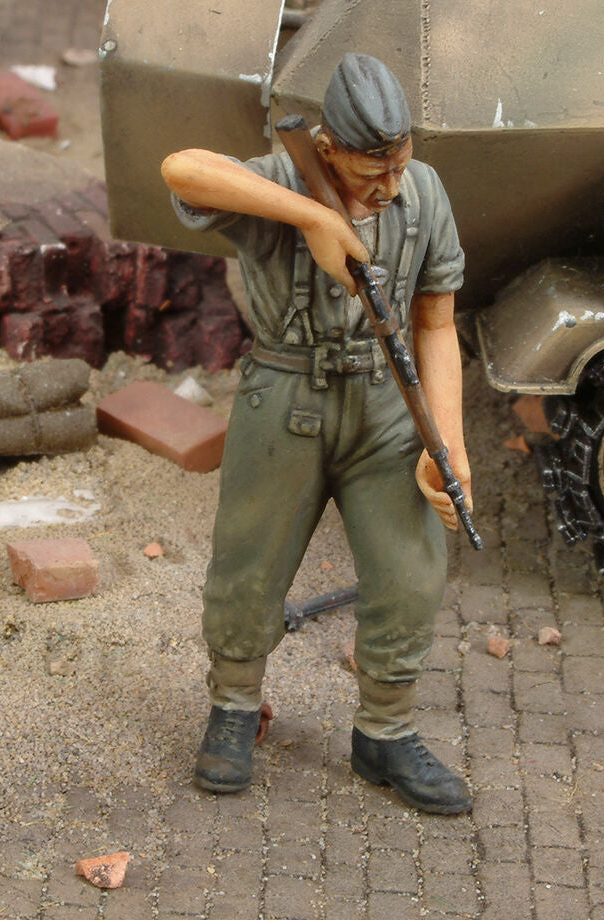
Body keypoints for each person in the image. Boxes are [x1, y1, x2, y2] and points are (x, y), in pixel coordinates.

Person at [161, 53, 473, 814]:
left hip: (384, 403)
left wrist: (449, 444)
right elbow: (181, 167)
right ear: (329, 144)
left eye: (400, 165)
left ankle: (386, 732)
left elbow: (435, 321)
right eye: (375, 169)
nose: (391, 186)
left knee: (409, 574)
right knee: (249, 562)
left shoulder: (423, 192)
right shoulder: (277, 177)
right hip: (286, 393)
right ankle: (233, 708)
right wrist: (314, 215)